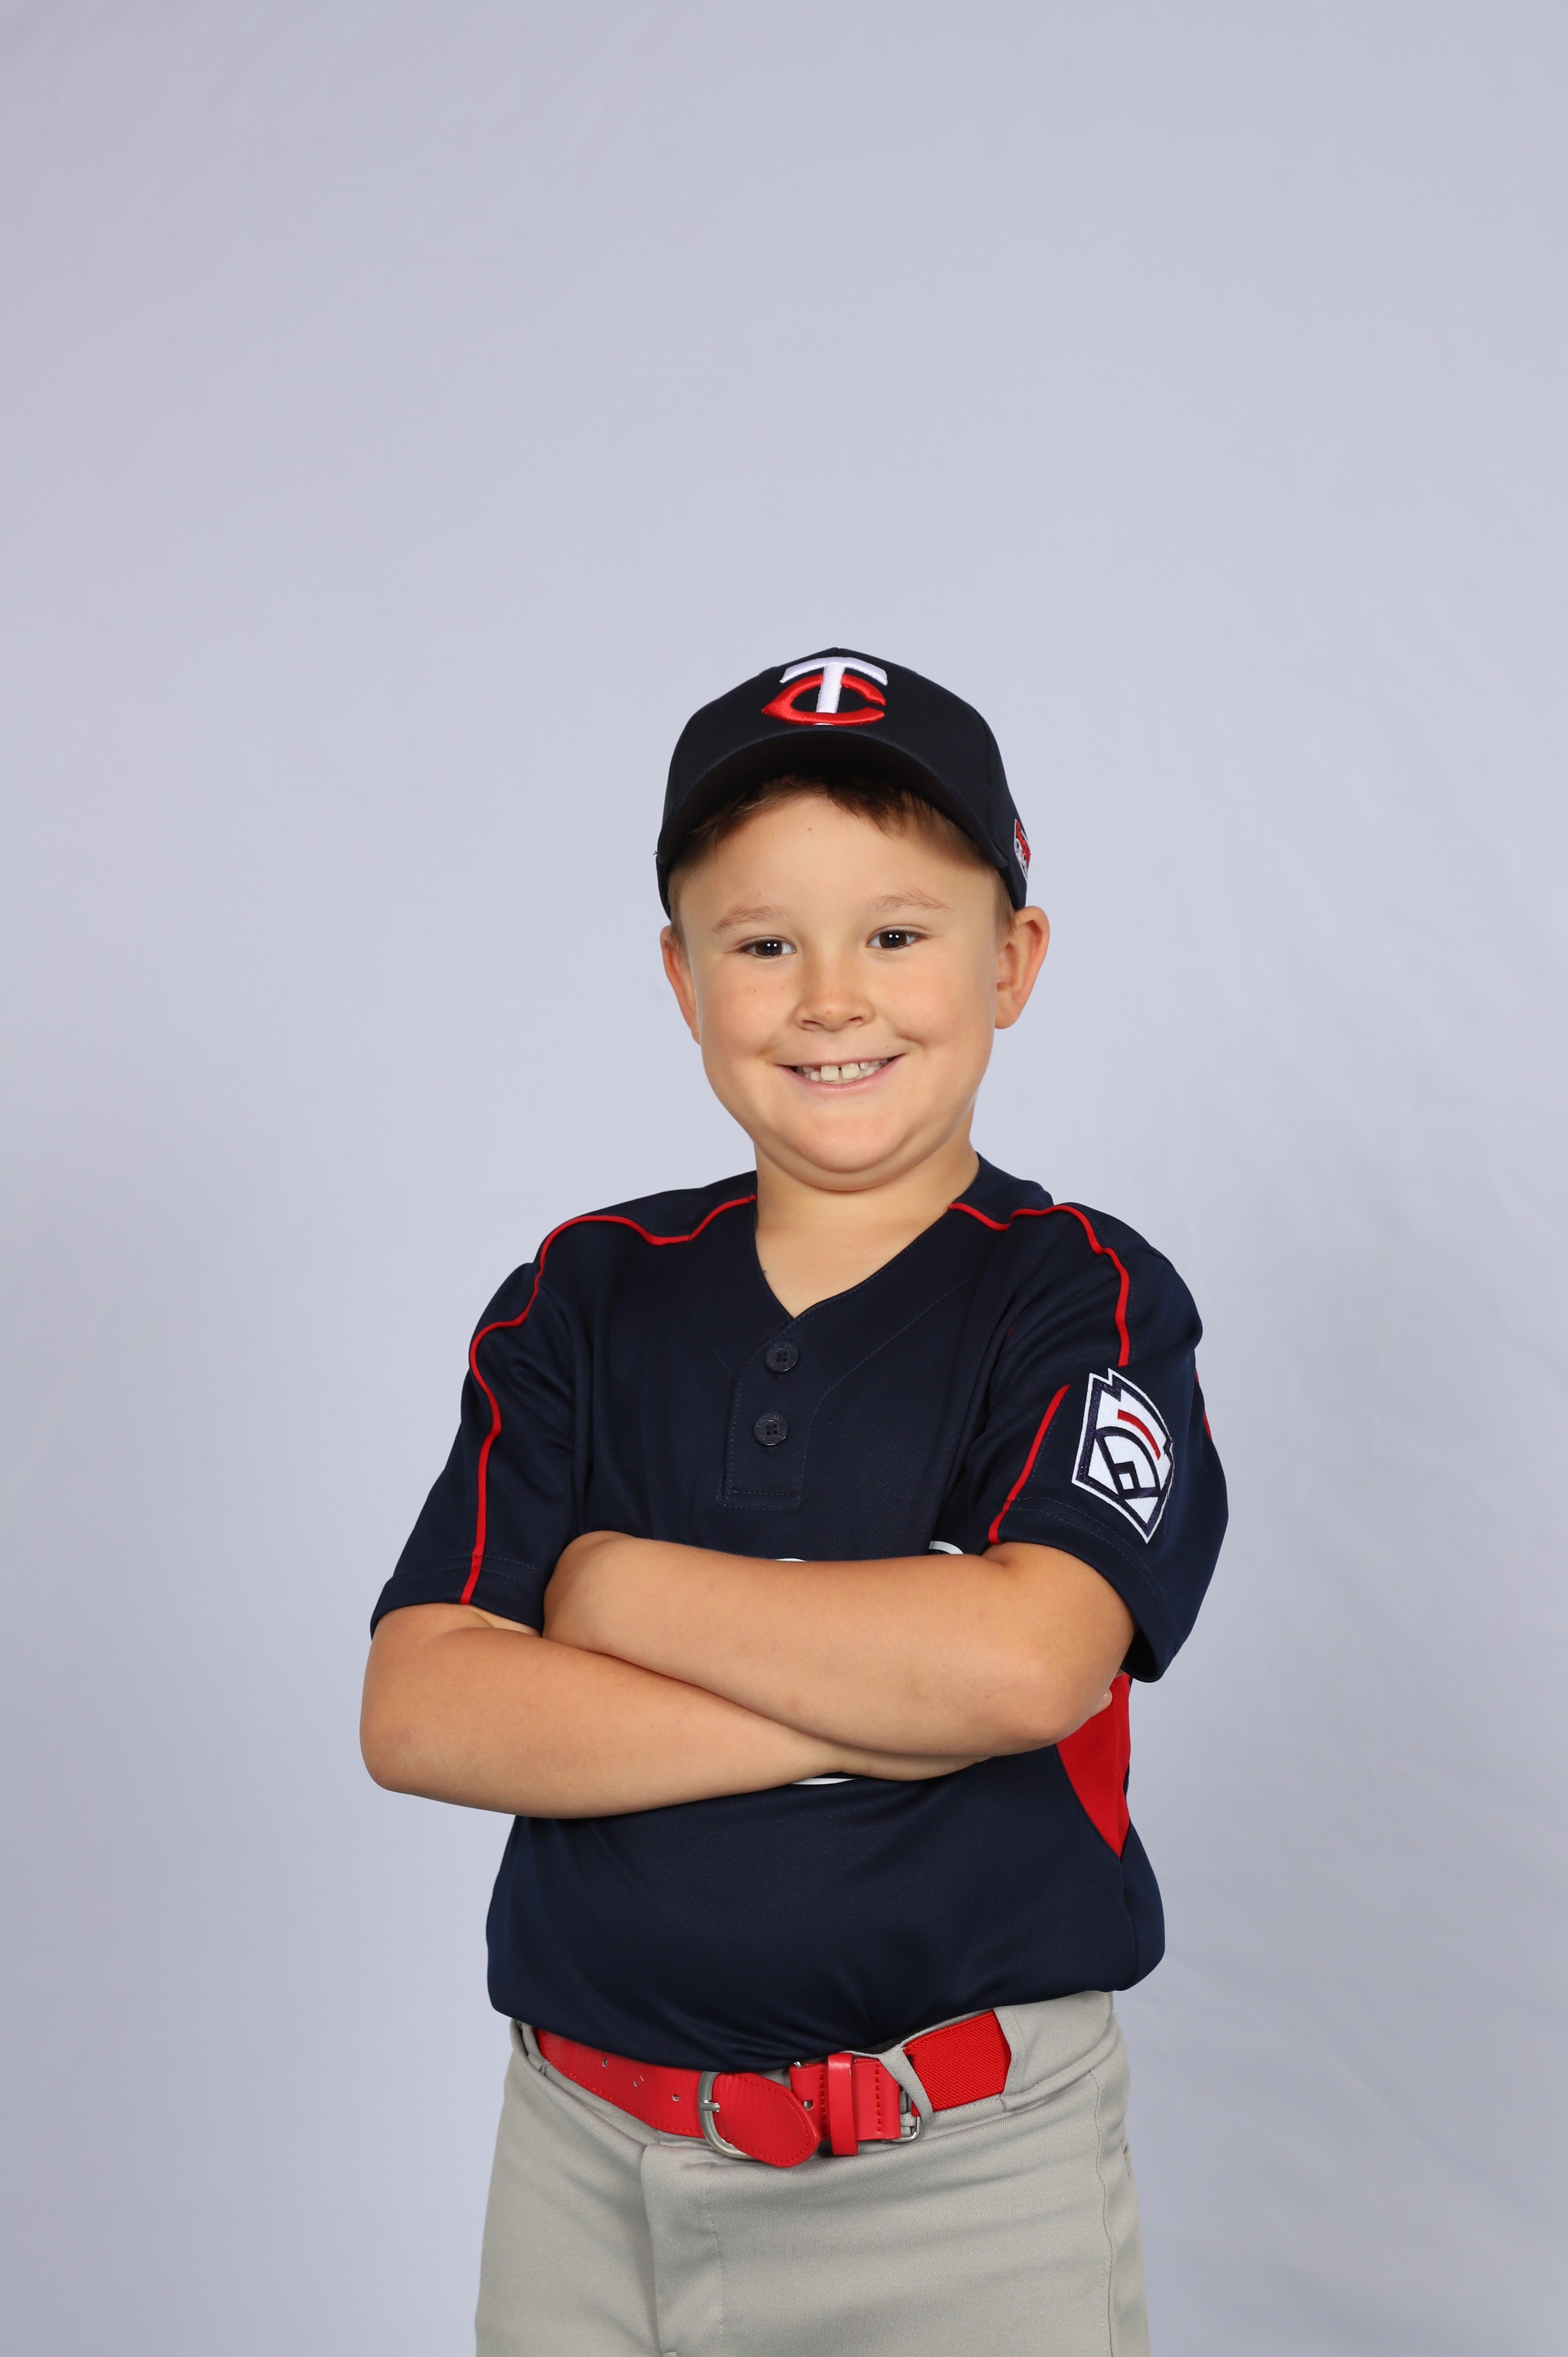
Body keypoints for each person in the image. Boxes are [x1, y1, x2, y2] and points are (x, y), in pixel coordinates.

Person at [360, 649, 1228, 2357]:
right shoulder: (586, 1294)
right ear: (683, 977)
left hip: (962, 2179)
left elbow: (1018, 1669)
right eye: (764, 945)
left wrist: (607, 1590)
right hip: (585, 2163)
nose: (833, 998)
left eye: (897, 934)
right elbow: (422, 1707)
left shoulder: (1082, 1295)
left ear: (1012, 961)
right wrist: (878, 1703)